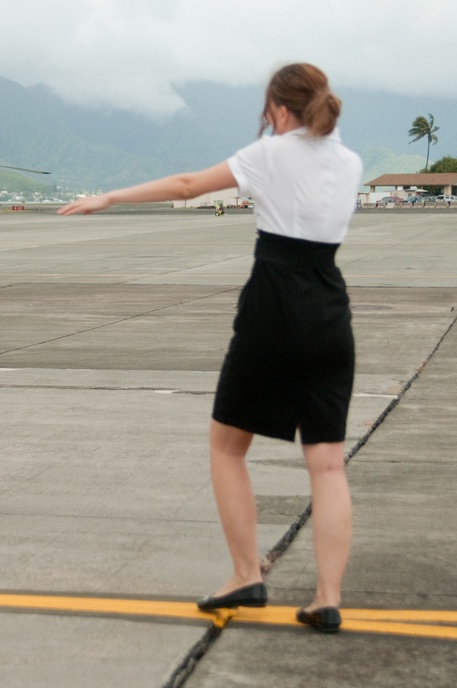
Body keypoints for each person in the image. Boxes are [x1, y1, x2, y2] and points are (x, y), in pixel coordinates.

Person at [59, 63, 362, 634]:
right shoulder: (349, 162)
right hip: (329, 310)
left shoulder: (268, 154)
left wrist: (110, 197)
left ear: (276, 109)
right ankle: (327, 596)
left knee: (227, 446)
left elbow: (186, 187)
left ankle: (246, 574)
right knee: (326, 462)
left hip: (274, 308)